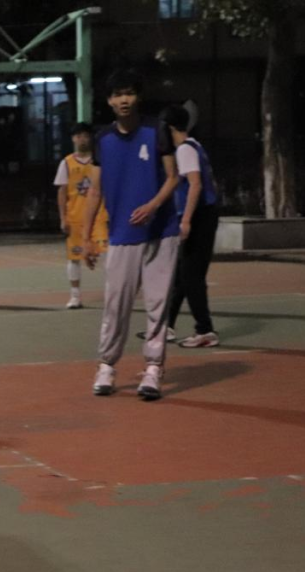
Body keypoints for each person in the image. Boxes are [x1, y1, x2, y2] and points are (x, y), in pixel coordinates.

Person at [83, 69, 180, 401]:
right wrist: (86, 238)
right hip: (122, 234)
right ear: (109, 101)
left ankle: (153, 368)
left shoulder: (157, 131)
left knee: (157, 303)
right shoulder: (102, 140)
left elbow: (173, 177)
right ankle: (107, 365)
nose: (124, 100)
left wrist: (153, 205)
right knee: (116, 303)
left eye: (129, 93)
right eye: (117, 94)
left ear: (138, 97)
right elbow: (95, 191)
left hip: (161, 232)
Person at [162, 104, 221, 348]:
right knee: (181, 274)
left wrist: (186, 219)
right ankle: (167, 326)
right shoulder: (194, 145)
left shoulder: (185, 150)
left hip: (199, 216)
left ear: (169, 128)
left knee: (191, 276)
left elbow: (195, 184)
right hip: (204, 214)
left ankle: (205, 330)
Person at [54, 122, 109, 309]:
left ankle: (111, 293)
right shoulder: (66, 163)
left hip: (99, 216)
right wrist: (63, 218)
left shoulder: (99, 161)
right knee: (74, 257)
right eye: (78, 136)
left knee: (107, 255)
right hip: (75, 217)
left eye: (85, 135)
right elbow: (62, 192)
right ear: (73, 139)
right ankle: (75, 296)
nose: (82, 139)